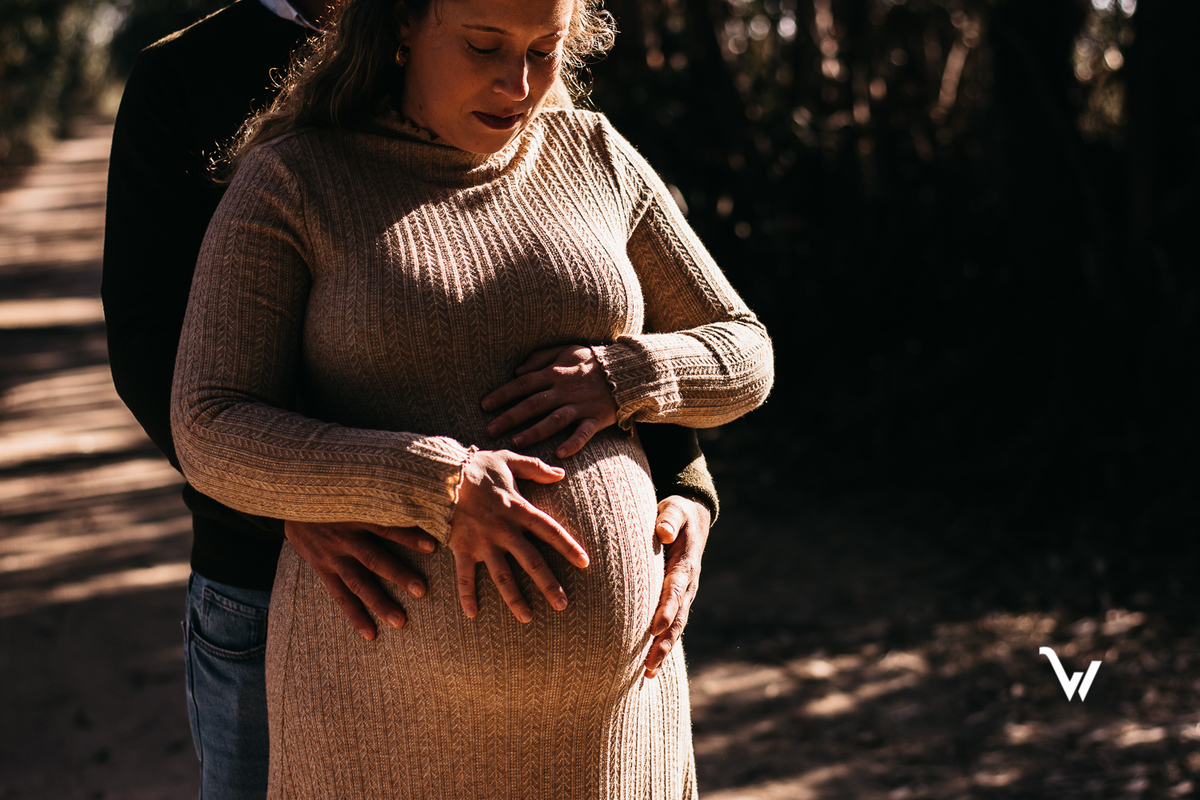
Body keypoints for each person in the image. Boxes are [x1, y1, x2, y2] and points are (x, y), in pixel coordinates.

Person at [102, 0, 719, 795]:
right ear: (403, 29)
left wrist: (678, 480)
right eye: (488, 48)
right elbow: (162, 353)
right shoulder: (190, 82)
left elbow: (580, 290)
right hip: (281, 585)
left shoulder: (520, 63)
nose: (520, 77)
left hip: (603, 710)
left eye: (542, 52)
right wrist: (305, 492)